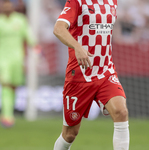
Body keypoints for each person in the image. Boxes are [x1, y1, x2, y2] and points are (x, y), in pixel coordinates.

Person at [53, 0, 129, 149]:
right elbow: (58, 29)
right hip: (80, 75)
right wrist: (77, 47)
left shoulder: (112, 2)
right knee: (70, 134)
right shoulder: (77, 2)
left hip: (105, 71)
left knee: (121, 111)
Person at [0, 0, 35, 128]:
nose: (6, 7)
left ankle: (9, 114)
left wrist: (35, 47)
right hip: (3, 60)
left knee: (13, 87)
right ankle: (7, 116)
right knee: (6, 85)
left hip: (17, 60)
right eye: (4, 5)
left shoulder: (20, 20)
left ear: (12, 7)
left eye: (8, 5)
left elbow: (28, 36)